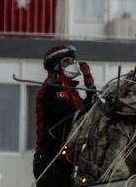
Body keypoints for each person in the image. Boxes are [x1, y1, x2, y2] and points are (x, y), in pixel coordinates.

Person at [33, 45, 96, 186]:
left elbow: (88, 110)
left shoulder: (71, 90)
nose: (73, 65)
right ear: (56, 65)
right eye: (67, 61)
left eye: (73, 61)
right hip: (52, 162)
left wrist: (90, 86)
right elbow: (74, 118)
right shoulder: (53, 89)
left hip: (66, 161)